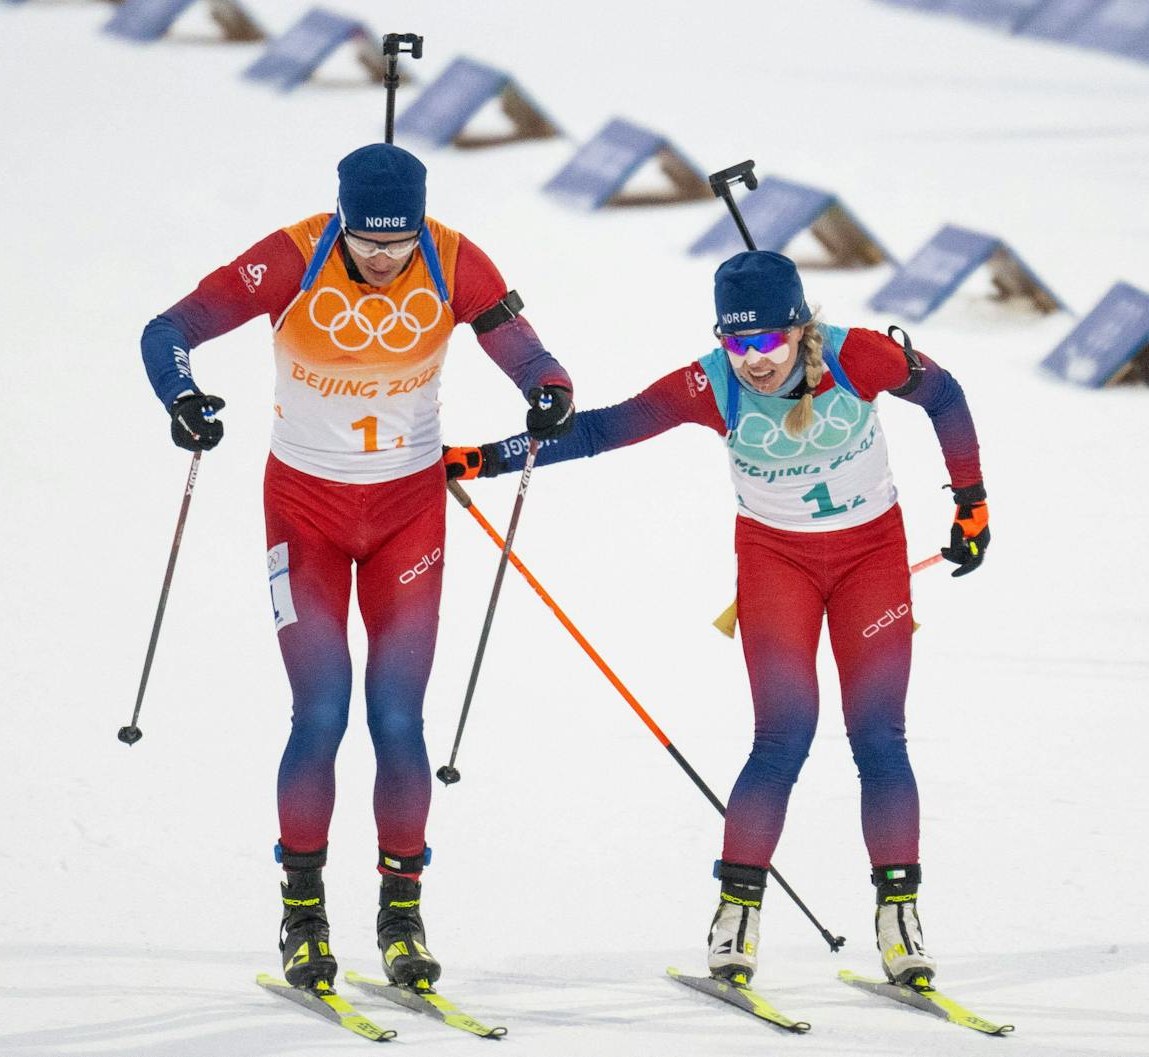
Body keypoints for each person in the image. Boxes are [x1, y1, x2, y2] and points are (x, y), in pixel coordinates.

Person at [444, 250, 987, 989]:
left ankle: (900, 917)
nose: (753, 360)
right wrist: (485, 457)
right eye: (737, 343)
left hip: (871, 561)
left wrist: (971, 501)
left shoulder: (858, 355)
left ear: (800, 329)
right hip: (777, 566)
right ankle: (737, 914)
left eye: (766, 341)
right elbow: (604, 429)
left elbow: (945, 396)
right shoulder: (712, 382)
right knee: (782, 736)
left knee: (878, 735)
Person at [139, 143, 576, 993]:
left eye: (397, 244)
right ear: (339, 219)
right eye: (366, 243)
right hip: (303, 512)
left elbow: (526, 351)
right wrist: (181, 398)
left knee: (398, 718)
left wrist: (549, 386)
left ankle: (401, 916)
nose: (382, 260)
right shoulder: (294, 254)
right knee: (322, 710)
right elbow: (170, 330)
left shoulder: (451, 257)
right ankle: (303, 915)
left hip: (407, 515)